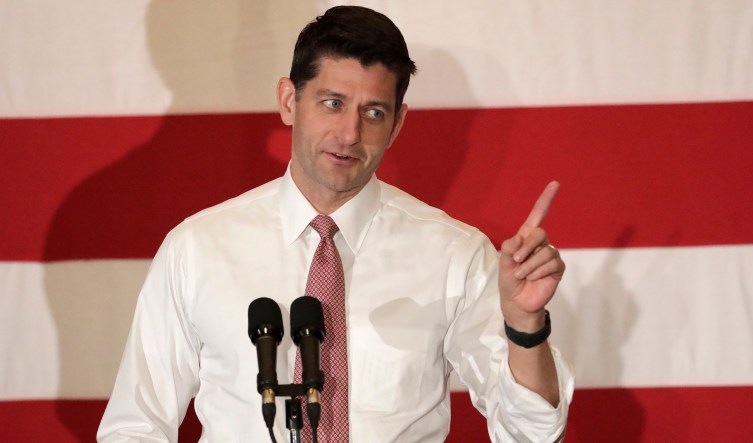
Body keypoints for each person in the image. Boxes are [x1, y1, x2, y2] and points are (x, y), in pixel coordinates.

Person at [98, 5, 573, 442]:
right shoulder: (197, 249)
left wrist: (525, 326)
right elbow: (135, 426)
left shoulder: (455, 254)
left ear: (397, 124)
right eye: (332, 103)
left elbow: (531, 434)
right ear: (289, 100)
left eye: (373, 112)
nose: (350, 134)